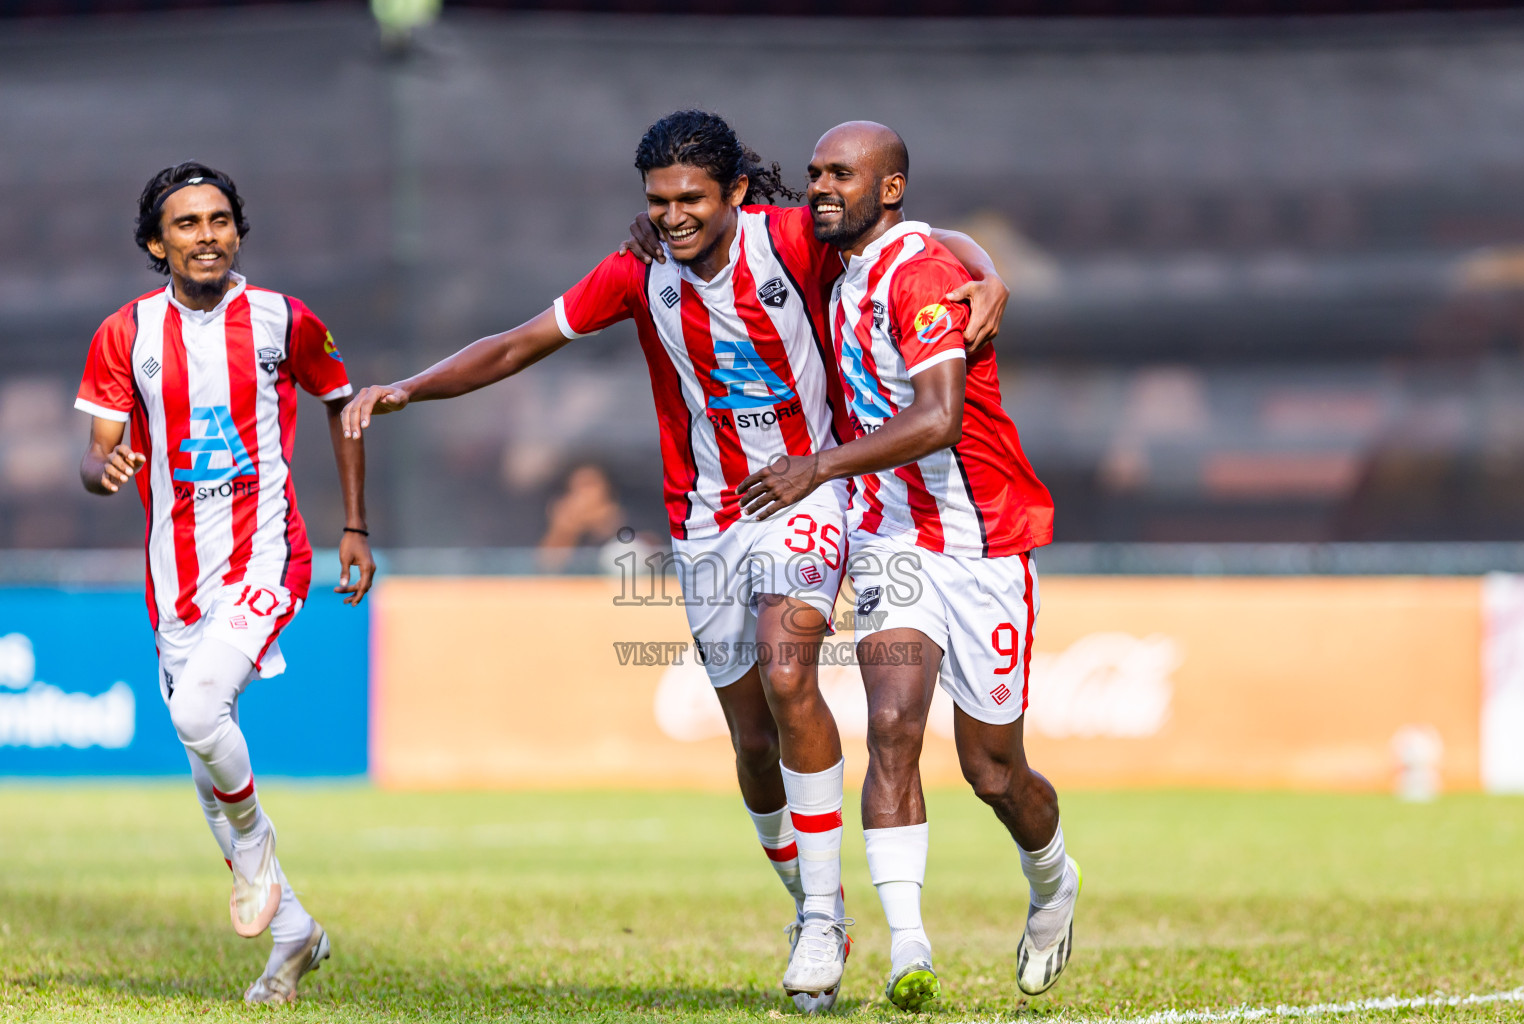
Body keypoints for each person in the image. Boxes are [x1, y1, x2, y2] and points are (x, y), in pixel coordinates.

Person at [342, 110, 1008, 1012]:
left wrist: (986, 270)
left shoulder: (794, 242)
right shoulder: (636, 271)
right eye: (658, 201)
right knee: (751, 742)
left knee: (788, 667)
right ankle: (818, 904)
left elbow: (911, 239)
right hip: (706, 522)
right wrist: (409, 389)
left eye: (691, 198)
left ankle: (819, 914)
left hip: (809, 495)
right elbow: (517, 344)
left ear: (735, 191)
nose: (672, 215)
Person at [737, 122, 1078, 1013]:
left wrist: (818, 466)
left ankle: (1052, 883)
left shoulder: (920, 275)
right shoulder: (842, 265)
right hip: (895, 536)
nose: (819, 187)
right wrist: (649, 233)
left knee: (993, 771)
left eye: (839, 174)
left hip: (987, 540)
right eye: (812, 173)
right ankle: (908, 949)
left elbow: (939, 420)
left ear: (888, 190)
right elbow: (728, 224)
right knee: (890, 726)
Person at [75, 162, 375, 1005]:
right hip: (175, 577)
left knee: (197, 712)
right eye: (185, 223)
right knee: (203, 751)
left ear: (237, 230)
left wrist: (354, 524)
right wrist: (107, 469)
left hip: (267, 558)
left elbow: (341, 401)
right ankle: (294, 934)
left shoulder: (284, 319)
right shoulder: (124, 333)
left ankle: (253, 853)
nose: (204, 234)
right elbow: (98, 453)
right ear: (154, 243)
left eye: (217, 220)